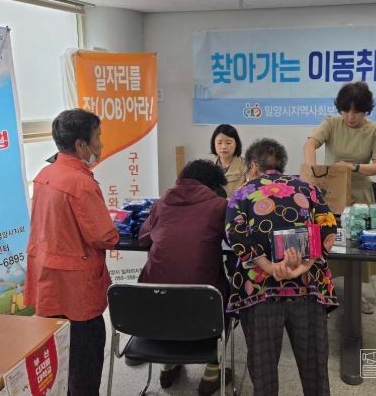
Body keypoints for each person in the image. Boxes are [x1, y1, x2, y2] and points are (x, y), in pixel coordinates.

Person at [226, 138, 338, 396]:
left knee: (263, 371)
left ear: (253, 167)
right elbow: (328, 231)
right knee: (315, 369)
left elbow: (235, 234)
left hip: (260, 290)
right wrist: (303, 266)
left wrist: (268, 265)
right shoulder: (309, 189)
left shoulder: (241, 193)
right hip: (308, 287)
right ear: (281, 166)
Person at [24, 109, 119, 395]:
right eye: (98, 136)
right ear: (81, 145)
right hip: (77, 289)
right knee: (85, 361)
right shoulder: (80, 183)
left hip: (49, 281)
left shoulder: (45, 174)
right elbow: (104, 236)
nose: (101, 143)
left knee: (61, 358)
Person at [138, 159, 231, 395]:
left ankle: (168, 365)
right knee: (229, 295)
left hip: (154, 306)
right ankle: (211, 374)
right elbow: (233, 240)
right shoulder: (219, 206)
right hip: (203, 306)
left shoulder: (161, 203)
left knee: (171, 291)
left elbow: (143, 238)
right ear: (213, 185)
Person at [304, 81, 376, 314]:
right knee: (328, 238)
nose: (350, 117)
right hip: (331, 193)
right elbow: (310, 144)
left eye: (357, 111)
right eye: (345, 110)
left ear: (366, 110)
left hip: (360, 194)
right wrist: (313, 170)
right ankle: (324, 287)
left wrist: (353, 167)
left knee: (358, 244)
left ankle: (356, 293)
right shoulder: (332, 123)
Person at [210, 124, 245, 197]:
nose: (223, 147)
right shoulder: (208, 165)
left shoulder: (245, 165)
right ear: (214, 144)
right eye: (219, 143)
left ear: (236, 144)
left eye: (228, 143)